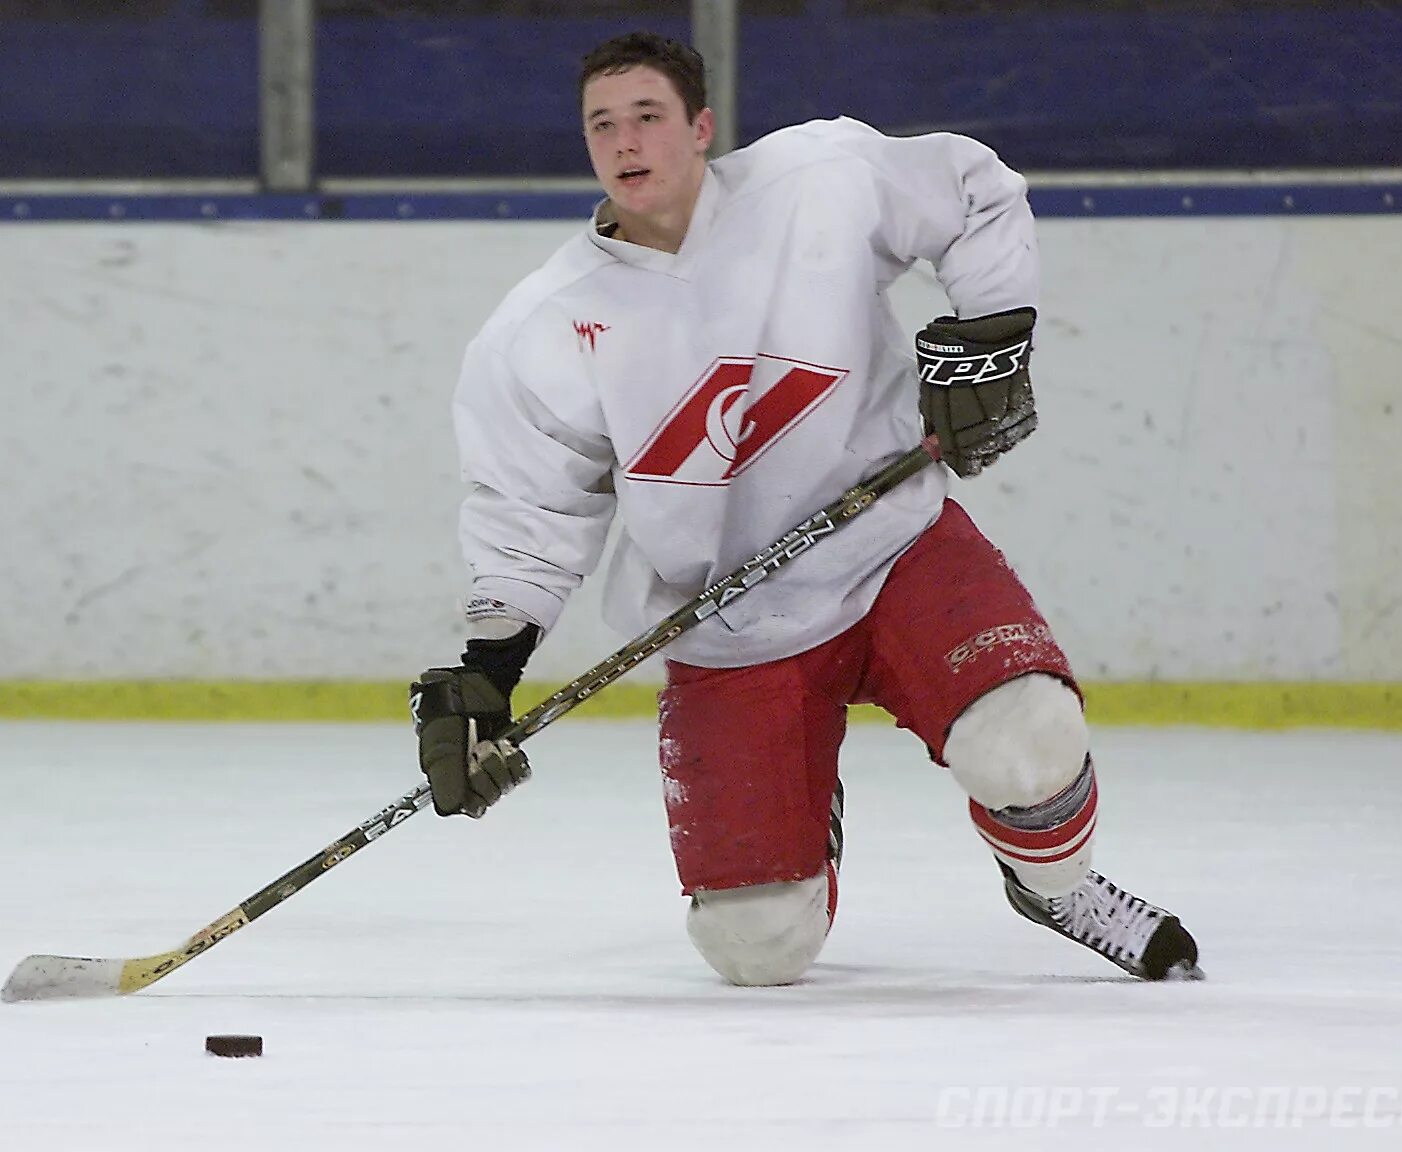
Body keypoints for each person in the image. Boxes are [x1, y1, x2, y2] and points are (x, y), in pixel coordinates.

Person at [410, 31, 1200, 986]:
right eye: (603, 125)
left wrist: (992, 332)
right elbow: (529, 511)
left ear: (701, 128)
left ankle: (1055, 885)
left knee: (1028, 739)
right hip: (732, 628)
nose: (627, 142)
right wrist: (488, 672)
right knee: (754, 949)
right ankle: (798, 807)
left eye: (649, 117)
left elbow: (972, 190)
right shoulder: (542, 328)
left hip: (894, 545)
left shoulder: (813, 180)